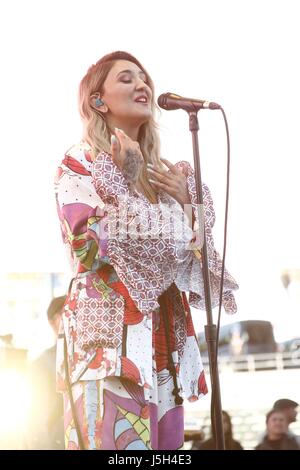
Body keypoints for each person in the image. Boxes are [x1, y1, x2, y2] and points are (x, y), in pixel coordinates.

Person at [54, 51, 238, 450]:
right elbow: (88, 249)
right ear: (98, 100)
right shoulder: (80, 162)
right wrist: (126, 183)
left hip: (163, 346)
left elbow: (194, 261)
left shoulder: (165, 173)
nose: (142, 85)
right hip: (110, 343)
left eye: (143, 78)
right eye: (126, 78)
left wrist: (189, 206)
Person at [26, 296, 66, 449]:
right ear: (53, 323)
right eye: (67, 313)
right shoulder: (42, 363)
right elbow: (35, 415)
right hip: (57, 441)